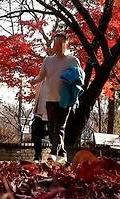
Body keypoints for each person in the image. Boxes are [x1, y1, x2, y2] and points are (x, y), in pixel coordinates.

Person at [31, 33, 80, 163]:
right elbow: (41, 76)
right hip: (50, 100)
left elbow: (79, 80)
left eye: (60, 44)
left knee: (59, 128)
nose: (57, 46)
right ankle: (62, 156)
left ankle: (54, 155)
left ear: (66, 45)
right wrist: (33, 81)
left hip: (65, 100)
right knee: (54, 129)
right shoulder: (48, 60)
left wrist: (75, 98)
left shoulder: (73, 61)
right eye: (55, 43)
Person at [31, 81, 49, 162]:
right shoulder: (40, 82)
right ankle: (37, 156)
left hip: (52, 114)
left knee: (55, 134)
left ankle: (56, 155)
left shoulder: (55, 80)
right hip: (39, 113)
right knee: (35, 132)